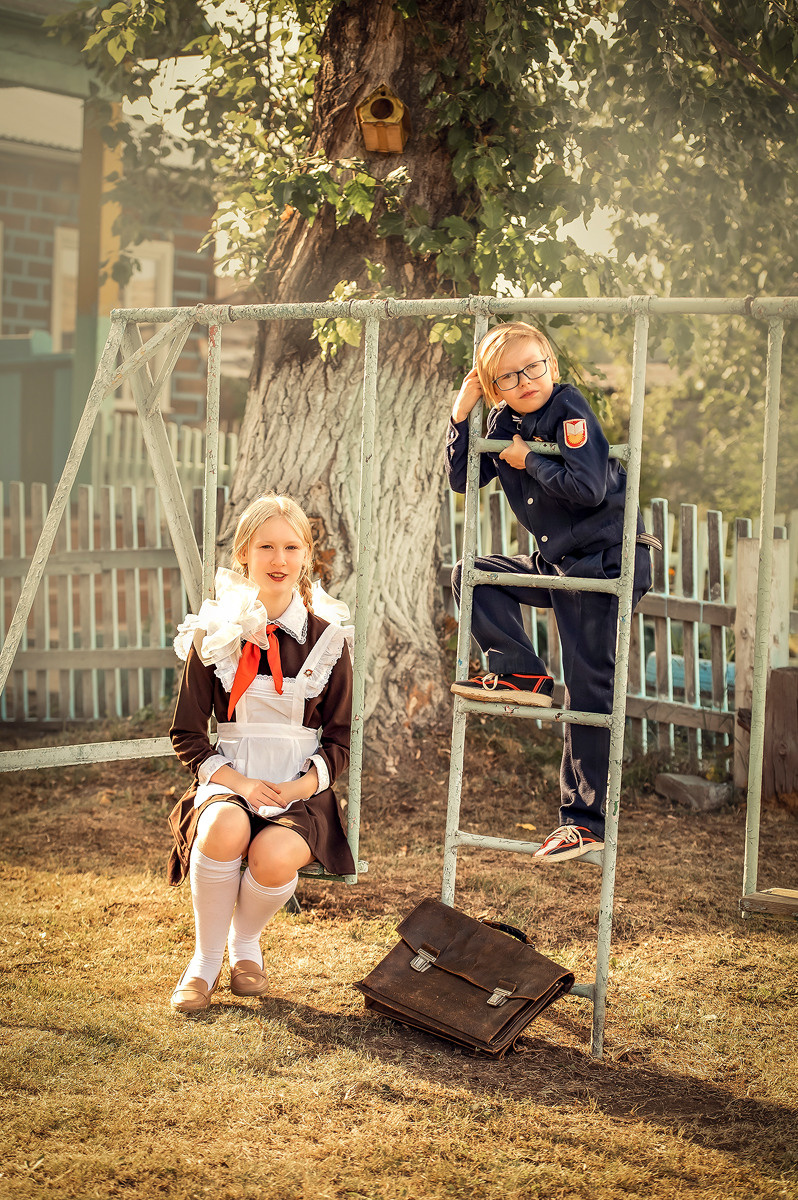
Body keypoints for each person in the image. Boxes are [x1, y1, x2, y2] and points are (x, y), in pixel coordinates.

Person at [445, 321, 656, 863]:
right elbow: (464, 479)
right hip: (558, 561)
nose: (523, 381)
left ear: (551, 366)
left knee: (588, 687)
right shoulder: (500, 418)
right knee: (472, 574)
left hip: (603, 559)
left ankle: (584, 822)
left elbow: (587, 489)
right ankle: (519, 669)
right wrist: (460, 413)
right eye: (507, 376)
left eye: (532, 367)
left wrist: (528, 461)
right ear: (494, 387)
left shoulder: (570, 410)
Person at [166, 493, 355, 1013]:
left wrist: (296, 788)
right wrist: (241, 784)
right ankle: (205, 960)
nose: (279, 560)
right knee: (226, 828)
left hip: (298, 792)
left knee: (272, 857)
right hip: (231, 783)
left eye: (291, 547)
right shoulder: (217, 635)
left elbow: (340, 740)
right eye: (265, 546)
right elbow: (187, 734)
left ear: (306, 556)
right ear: (244, 554)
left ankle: (244, 943)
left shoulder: (329, 639)